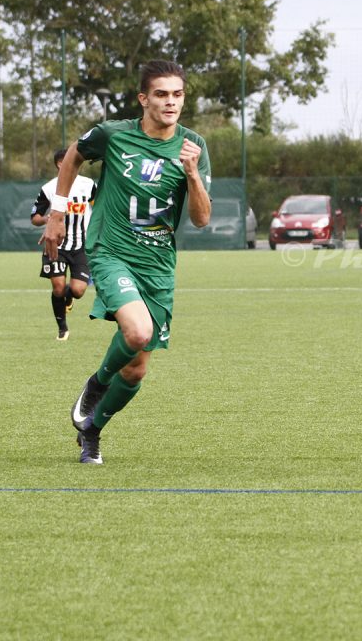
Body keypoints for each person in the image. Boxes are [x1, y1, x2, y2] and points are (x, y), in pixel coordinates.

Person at [41, 60, 211, 464]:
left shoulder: (193, 147)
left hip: (158, 265)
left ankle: (92, 431)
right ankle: (97, 382)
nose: (171, 102)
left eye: (177, 94)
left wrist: (192, 174)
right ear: (143, 98)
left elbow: (202, 218)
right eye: (161, 94)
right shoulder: (113, 135)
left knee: (135, 370)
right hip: (112, 250)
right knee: (136, 333)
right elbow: (72, 158)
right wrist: (58, 214)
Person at [31, 148, 97, 340]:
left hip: (81, 246)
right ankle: (62, 328)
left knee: (78, 290)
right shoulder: (49, 188)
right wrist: (47, 220)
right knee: (58, 287)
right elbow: (34, 217)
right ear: (61, 163)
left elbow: (99, 205)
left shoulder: (88, 185)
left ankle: (68, 297)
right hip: (56, 245)